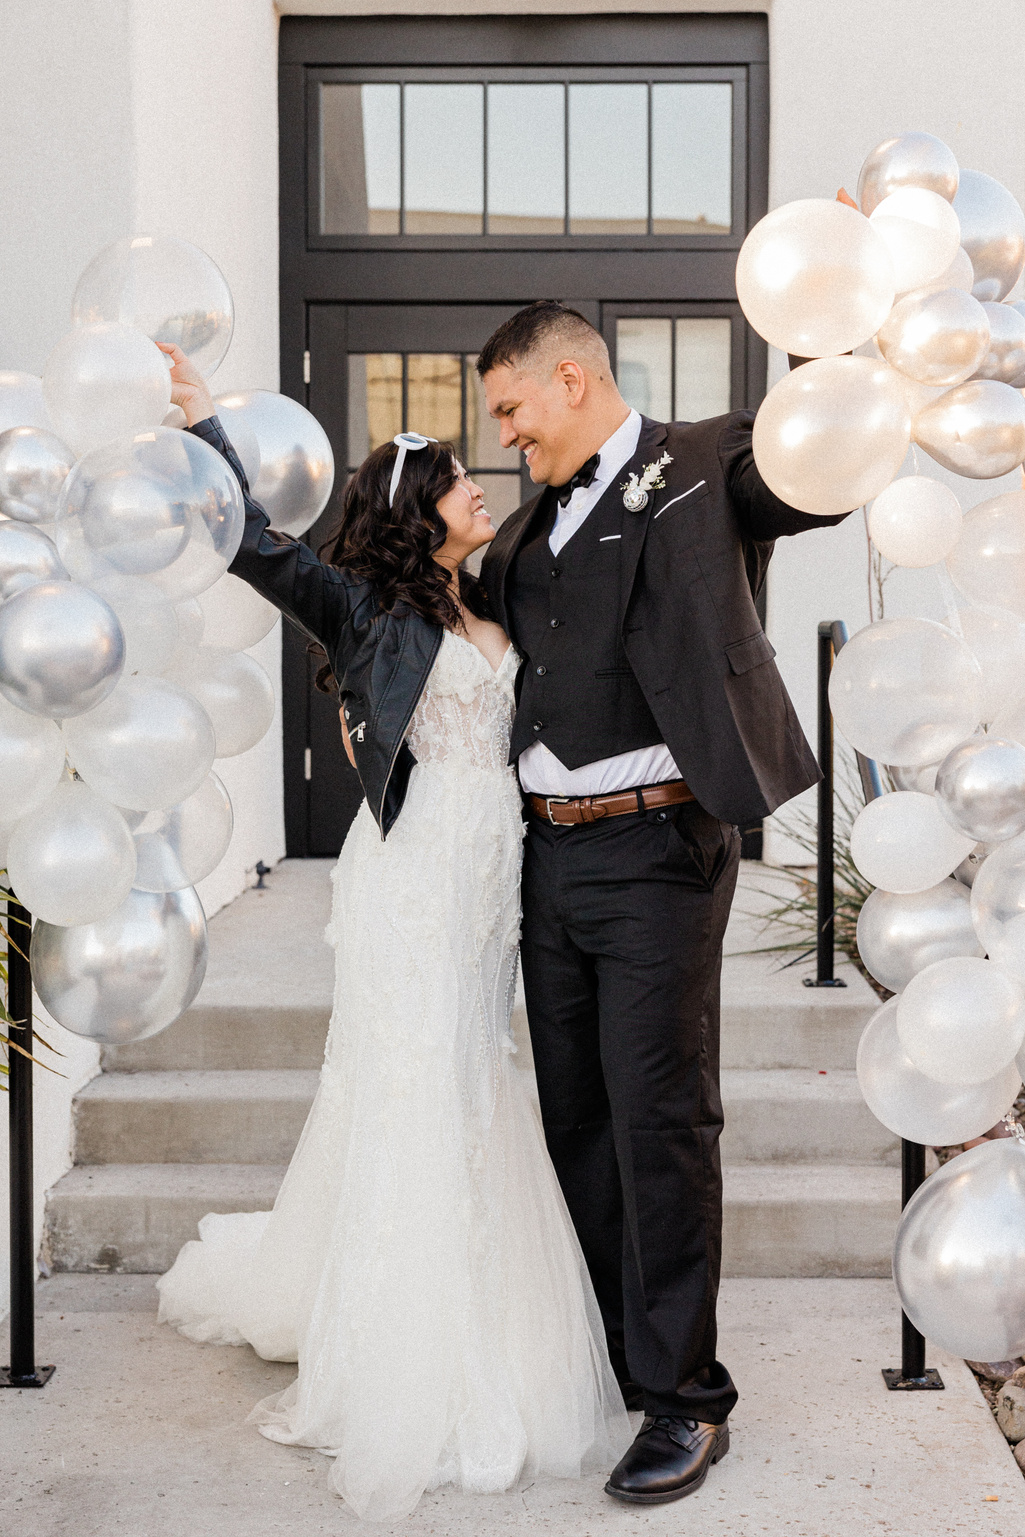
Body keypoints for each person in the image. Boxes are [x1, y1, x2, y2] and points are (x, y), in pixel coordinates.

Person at [154, 343, 630, 1522]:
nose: (483, 487)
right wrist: (207, 424)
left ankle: (487, 1314)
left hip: (489, 882)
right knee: (417, 1083)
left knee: (477, 1073)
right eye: (462, 479)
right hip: (409, 883)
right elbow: (258, 549)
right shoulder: (361, 606)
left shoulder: (497, 592)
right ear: (420, 512)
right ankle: (406, 1352)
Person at [475, 301, 850, 1505]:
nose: (506, 433)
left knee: (659, 1120)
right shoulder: (528, 526)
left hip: (655, 857)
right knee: (576, 1119)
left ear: (571, 378)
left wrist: (829, 335)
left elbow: (813, 473)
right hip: (544, 861)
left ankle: (686, 1399)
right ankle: (615, 1356)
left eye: (512, 408)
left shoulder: (702, 464)